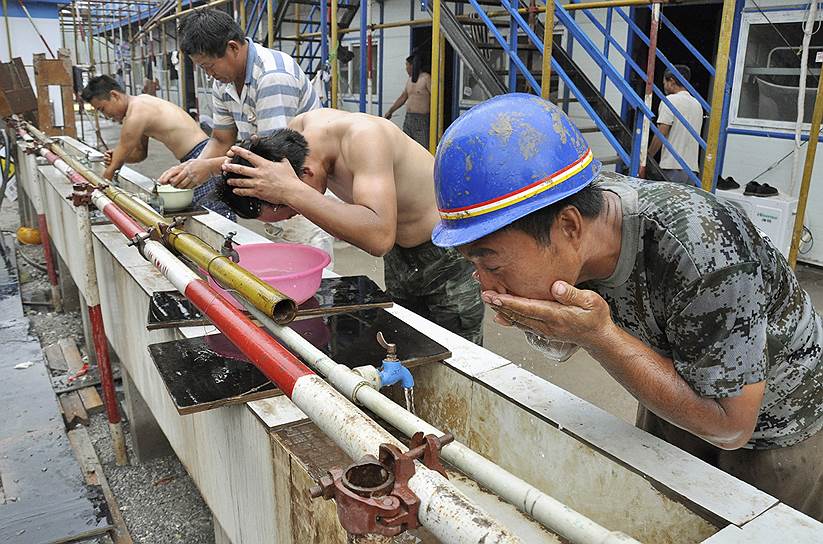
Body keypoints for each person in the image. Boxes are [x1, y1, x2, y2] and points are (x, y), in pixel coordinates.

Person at [430, 93, 823, 520]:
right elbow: (568, 345)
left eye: (489, 261)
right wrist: (557, 326)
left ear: (568, 226)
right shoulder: (574, 230)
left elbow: (731, 425)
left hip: (777, 420)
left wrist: (597, 336)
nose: (484, 282)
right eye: (472, 263)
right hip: (672, 377)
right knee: (659, 514)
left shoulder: (701, 249)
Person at [220, 108, 484, 344]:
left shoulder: (365, 138)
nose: (300, 211)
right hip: (401, 256)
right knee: (408, 342)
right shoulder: (299, 133)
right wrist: (216, 165)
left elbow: (379, 238)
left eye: (292, 210)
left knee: (460, 355)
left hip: (448, 253)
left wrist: (292, 193)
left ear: (305, 176)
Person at [158, 7, 329, 253]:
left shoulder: (272, 76)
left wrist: (207, 168)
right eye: (203, 68)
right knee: (284, 260)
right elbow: (221, 137)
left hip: (306, 180)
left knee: (309, 259)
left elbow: (273, 158)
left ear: (233, 48)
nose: (209, 74)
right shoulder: (223, 81)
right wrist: (191, 169)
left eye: (209, 66)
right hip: (276, 186)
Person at [80, 75, 232, 217]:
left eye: (102, 109)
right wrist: (117, 157)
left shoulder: (137, 112)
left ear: (114, 95)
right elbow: (139, 154)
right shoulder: (139, 107)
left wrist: (99, 191)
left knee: (212, 211)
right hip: (194, 155)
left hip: (203, 154)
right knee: (204, 208)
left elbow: (117, 161)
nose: (106, 115)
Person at [647, 65, 703, 185]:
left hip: (672, 167)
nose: (664, 87)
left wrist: (648, 156)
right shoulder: (697, 104)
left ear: (671, 81)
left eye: (664, 83)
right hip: (692, 170)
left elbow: (661, 133)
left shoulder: (670, 101)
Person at [384, 54, 431, 148]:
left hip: (421, 120)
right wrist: (390, 111)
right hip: (409, 118)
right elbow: (403, 98)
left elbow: (435, 98)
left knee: (421, 147)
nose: (406, 68)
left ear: (413, 66)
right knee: (406, 146)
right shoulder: (410, 80)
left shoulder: (426, 78)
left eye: (407, 65)